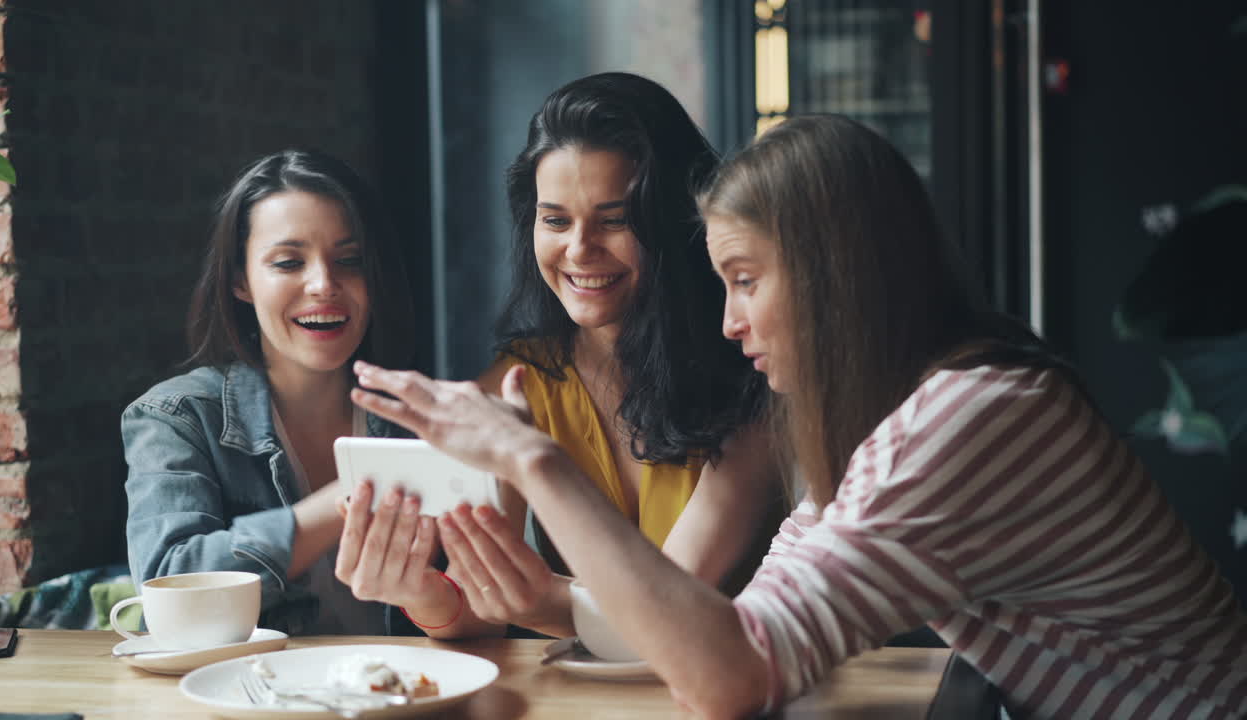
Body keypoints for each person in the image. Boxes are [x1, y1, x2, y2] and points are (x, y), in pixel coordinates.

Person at [347, 115, 1247, 719]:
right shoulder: (887, 420)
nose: (729, 322)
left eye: (745, 281)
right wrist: (528, 594)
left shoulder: (971, 418)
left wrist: (538, 466)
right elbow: (723, 629)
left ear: (835, 278)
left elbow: (731, 677)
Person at [333, 72, 783, 639]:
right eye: (556, 220)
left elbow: (671, 608)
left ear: (673, 221)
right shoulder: (520, 381)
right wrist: (419, 591)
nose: (578, 249)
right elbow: (478, 615)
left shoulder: (752, 375)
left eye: (615, 220)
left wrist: (528, 596)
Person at [123, 149, 420, 636]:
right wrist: (346, 499)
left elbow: (478, 608)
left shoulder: (419, 419)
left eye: (349, 261)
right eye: (288, 262)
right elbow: (170, 583)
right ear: (240, 279)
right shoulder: (178, 416)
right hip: (253, 683)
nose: (323, 284)